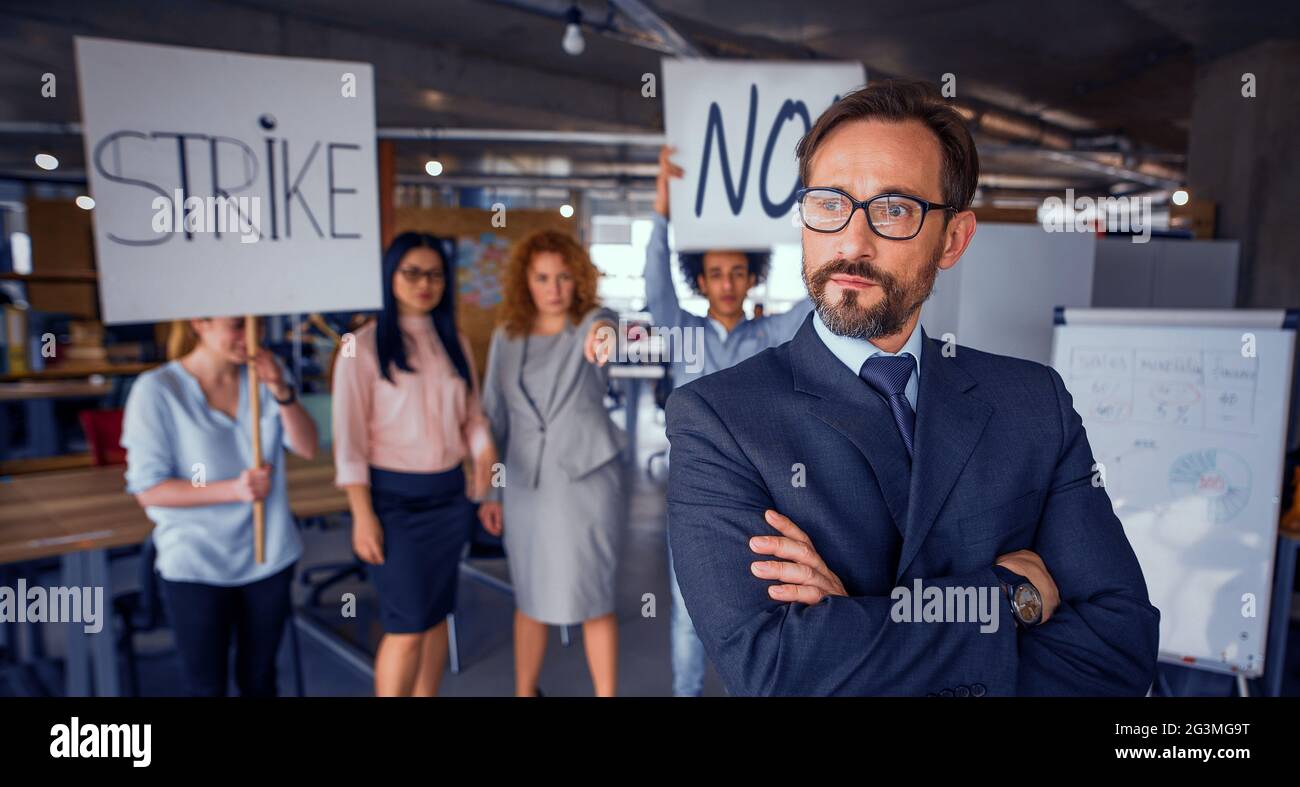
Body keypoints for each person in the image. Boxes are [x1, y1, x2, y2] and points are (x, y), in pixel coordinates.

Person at [665, 80, 1160, 696]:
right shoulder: (719, 420)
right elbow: (778, 671)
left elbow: (1119, 647)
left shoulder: (1035, 404)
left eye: (894, 209)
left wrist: (855, 629)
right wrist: (1006, 598)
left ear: (953, 239)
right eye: (829, 203)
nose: (851, 241)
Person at [645, 145, 813, 696]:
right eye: (715, 272)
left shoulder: (768, 336)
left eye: (737, 272)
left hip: (762, 496)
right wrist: (661, 210)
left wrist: (821, 213)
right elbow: (655, 287)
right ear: (701, 278)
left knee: (765, 606)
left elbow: (816, 301)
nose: (726, 282)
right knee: (687, 613)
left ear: (751, 276)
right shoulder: (680, 330)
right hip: (694, 496)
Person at [332, 232, 496, 697]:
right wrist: (362, 514)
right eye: (413, 272)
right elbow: (349, 441)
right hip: (393, 503)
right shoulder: (359, 347)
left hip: (449, 496)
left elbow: (472, 416)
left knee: (436, 615)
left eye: (435, 274)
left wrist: (484, 448)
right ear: (391, 276)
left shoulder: (453, 341)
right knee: (405, 626)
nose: (425, 283)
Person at [122, 316, 319, 697]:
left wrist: (280, 389)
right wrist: (233, 490)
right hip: (195, 561)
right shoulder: (157, 390)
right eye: (236, 326)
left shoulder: (266, 377)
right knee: (206, 687)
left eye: (258, 326)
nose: (251, 337)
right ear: (200, 323)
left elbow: (308, 447)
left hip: (268, 554)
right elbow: (150, 490)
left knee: (260, 681)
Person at [477, 229, 626, 697]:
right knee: (530, 595)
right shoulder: (507, 336)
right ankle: (526, 691)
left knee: (594, 598)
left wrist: (604, 332)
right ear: (526, 280)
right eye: (543, 277)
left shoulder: (587, 324)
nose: (554, 288)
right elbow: (493, 415)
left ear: (577, 279)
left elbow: (609, 323)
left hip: (585, 481)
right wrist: (489, 491)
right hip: (525, 485)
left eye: (563, 277)